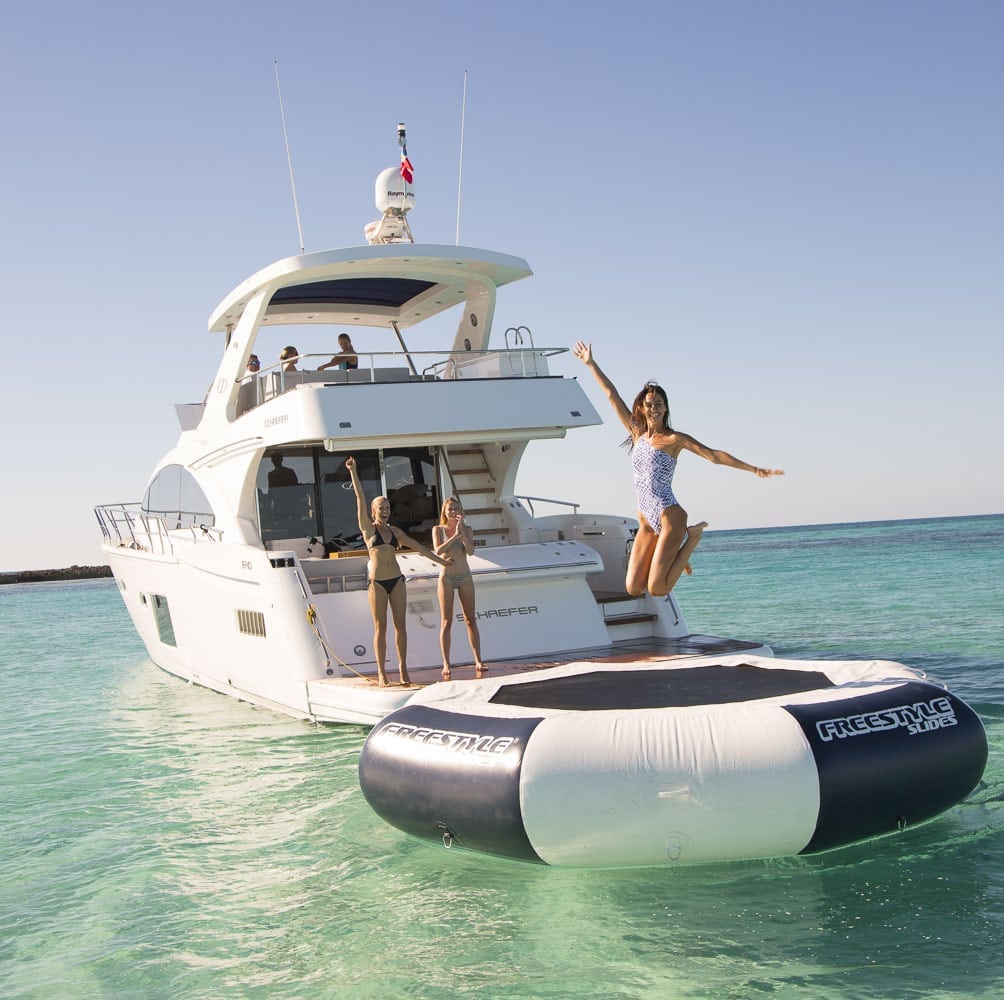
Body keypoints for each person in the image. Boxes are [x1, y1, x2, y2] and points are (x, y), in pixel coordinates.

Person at [572, 340, 783, 597]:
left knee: (657, 588)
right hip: (646, 520)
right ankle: (675, 557)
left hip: (669, 516)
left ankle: (693, 537)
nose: (654, 408)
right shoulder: (636, 433)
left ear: (665, 407)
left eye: (659, 404)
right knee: (633, 588)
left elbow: (713, 455)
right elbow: (611, 395)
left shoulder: (674, 439)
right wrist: (591, 364)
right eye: (649, 404)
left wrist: (754, 469)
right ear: (642, 408)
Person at [345, 456, 452, 687]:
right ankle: (382, 672)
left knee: (400, 626)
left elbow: (420, 547)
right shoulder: (367, 529)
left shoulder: (395, 532)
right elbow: (359, 497)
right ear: (373, 511)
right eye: (381, 508)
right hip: (377, 583)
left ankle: (403, 669)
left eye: (387, 507)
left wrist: (441, 562)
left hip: (396, 581)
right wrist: (353, 471)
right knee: (380, 627)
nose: (385, 510)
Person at [433, 497, 487, 680]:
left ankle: (478, 660)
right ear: (444, 511)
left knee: (470, 619)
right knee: (446, 621)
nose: (453, 512)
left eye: (456, 508)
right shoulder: (438, 529)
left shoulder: (467, 529)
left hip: (464, 576)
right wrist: (454, 536)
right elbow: (438, 551)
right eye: (450, 509)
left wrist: (461, 532)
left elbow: (470, 551)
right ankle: (446, 663)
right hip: (446, 577)